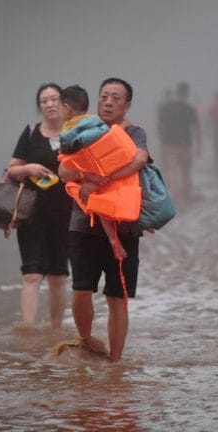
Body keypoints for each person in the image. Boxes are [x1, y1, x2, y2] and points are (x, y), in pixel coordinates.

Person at [58, 77, 150, 362]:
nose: (109, 102)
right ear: (97, 100)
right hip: (84, 223)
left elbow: (139, 159)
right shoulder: (84, 129)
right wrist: (88, 175)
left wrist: (102, 179)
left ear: (127, 104)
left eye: (116, 98)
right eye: (104, 96)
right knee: (81, 290)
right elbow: (63, 172)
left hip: (124, 224)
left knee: (117, 297)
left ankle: (116, 362)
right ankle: (85, 341)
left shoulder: (135, 133)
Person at [3, 83, 73, 329]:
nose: (50, 104)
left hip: (65, 214)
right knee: (31, 274)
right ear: (39, 106)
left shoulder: (74, 132)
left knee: (58, 275)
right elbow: (10, 170)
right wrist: (28, 168)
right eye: (44, 101)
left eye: (54, 99)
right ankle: (28, 330)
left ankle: (55, 330)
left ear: (64, 103)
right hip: (32, 213)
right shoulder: (31, 132)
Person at [57, 85, 126, 260]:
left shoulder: (68, 129)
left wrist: (85, 174)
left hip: (90, 171)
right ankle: (113, 237)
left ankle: (112, 238)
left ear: (67, 108)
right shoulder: (95, 121)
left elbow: (64, 165)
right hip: (108, 167)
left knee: (95, 203)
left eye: (59, 107)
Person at [157, 81, 201, 202]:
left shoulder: (167, 108)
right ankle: (186, 194)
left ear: (177, 93)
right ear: (187, 94)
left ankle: (174, 196)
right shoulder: (190, 109)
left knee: (172, 170)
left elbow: (161, 126)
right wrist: (199, 146)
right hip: (185, 144)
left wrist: (162, 141)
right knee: (185, 170)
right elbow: (196, 129)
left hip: (170, 144)